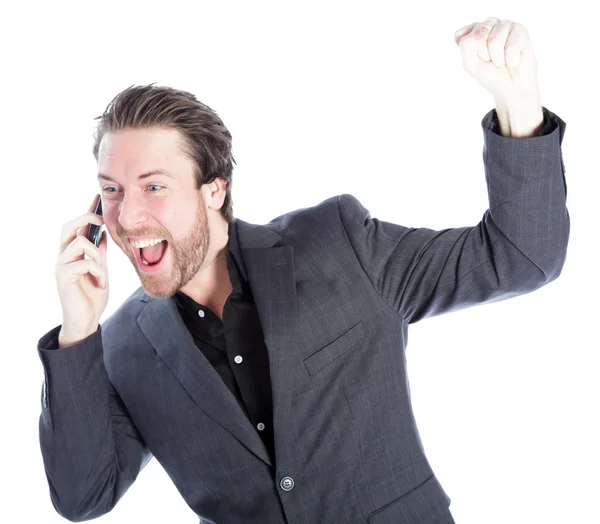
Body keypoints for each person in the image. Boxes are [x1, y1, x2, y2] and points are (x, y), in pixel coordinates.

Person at [38, 16, 569, 524]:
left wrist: (516, 99)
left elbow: (520, 258)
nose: (127, 216)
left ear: (214, 188)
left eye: (154, 186)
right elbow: (83, 496)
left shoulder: (338, 244)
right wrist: (78, 331)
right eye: (111, 191)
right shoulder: (120, 345)